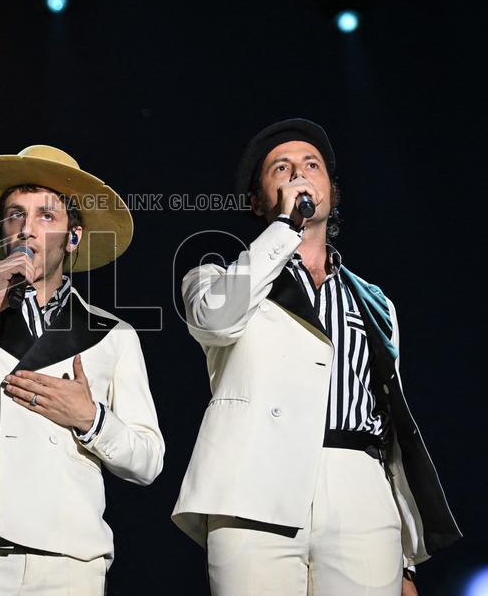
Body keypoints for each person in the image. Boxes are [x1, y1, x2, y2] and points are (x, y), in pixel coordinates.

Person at [172, 119, 461, 595]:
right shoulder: (214, 277)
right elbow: (216, 321)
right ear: (256, 199)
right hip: (253, 486)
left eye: (312, 165)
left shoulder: (373, 300)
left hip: (358, 486)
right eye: (280, 169)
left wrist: (406, 559)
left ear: (331, 188)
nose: (299, 175)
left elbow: (387, 416)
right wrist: (285, 228)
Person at [0, 144, 164, 595]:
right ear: (2, 230)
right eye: (15, 215)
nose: (27, 230)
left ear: (73, 236)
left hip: (68, 556)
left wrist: (91, 418)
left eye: (46, 216)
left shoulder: (111, 334)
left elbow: (148, 460)